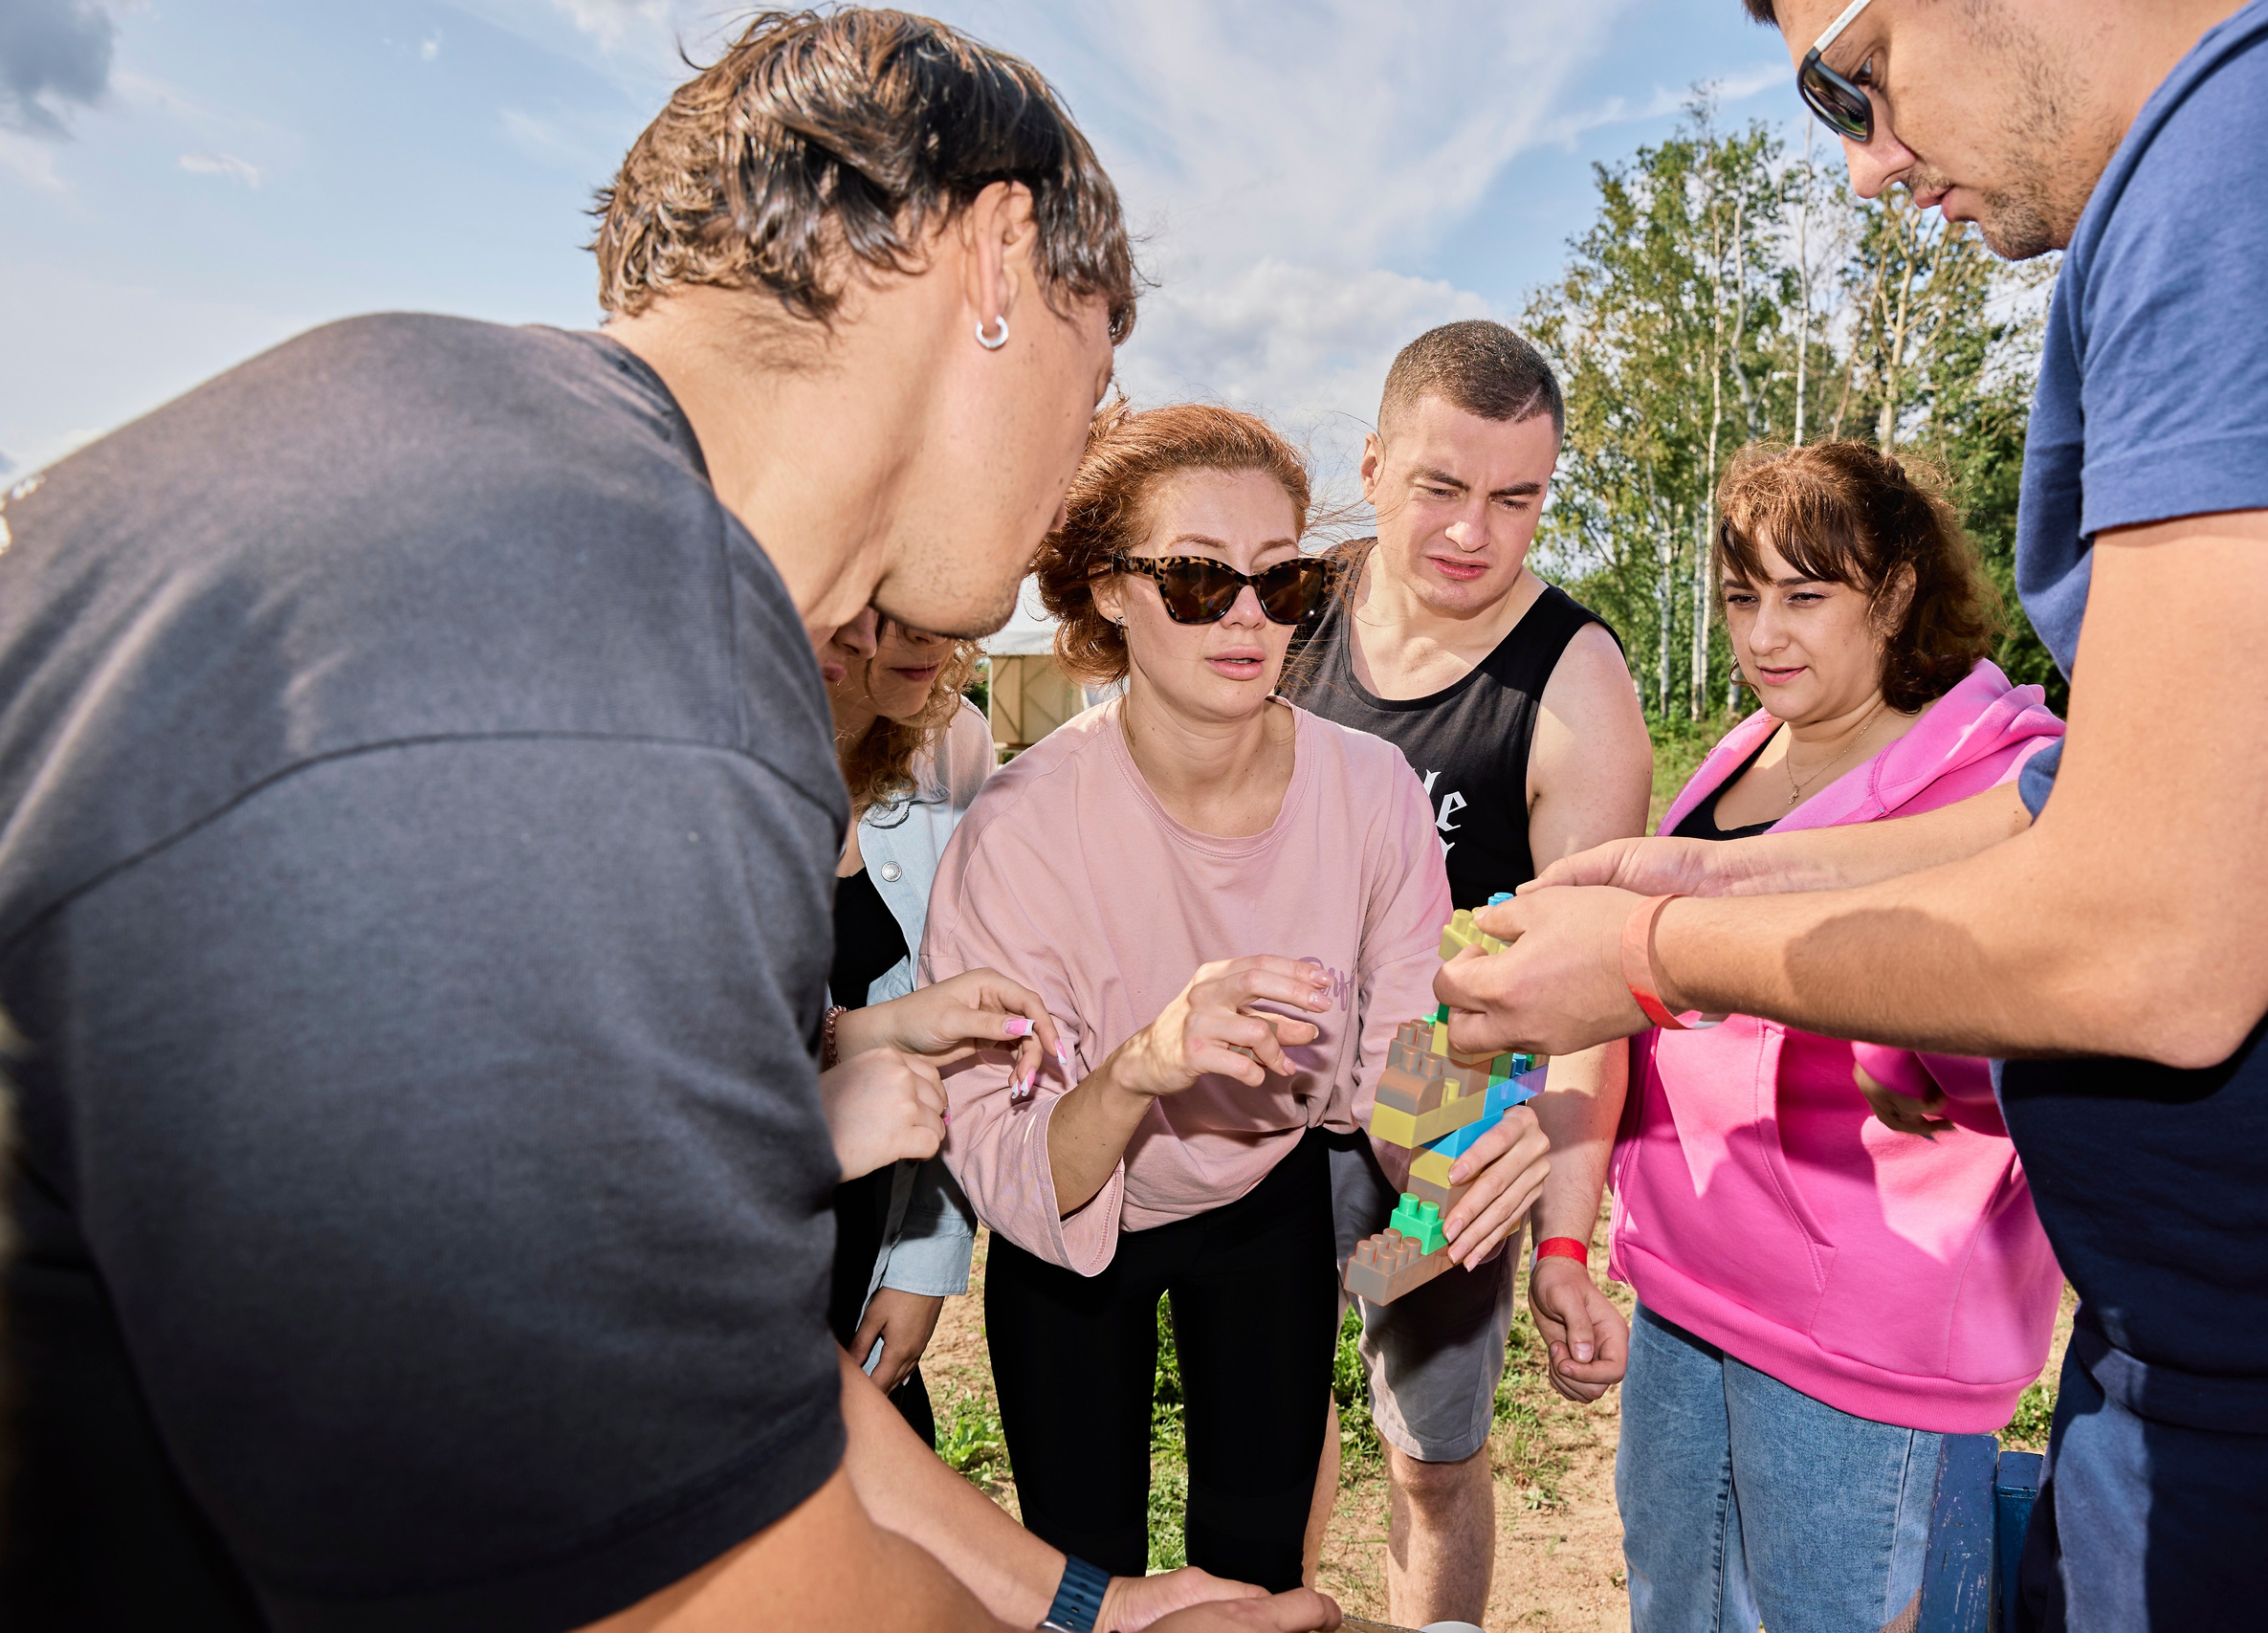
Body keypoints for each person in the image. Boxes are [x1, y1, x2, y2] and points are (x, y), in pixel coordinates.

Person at [0, 11, 1338, 1632]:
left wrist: (1085, 1604)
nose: (1077, 460)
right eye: (1094, 379)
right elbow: (679, 1584)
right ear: (997, 259)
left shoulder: (450, 457)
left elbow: (699, 1369)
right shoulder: (618, 659)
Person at [1440, 2, 2268, 1626]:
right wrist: (1707, 876)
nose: (1863, 162)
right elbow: (2082, 815)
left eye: (1852, 76)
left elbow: (2151, 933)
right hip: (2228, 1361)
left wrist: (1649, 952)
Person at [926, 400, 1552, 1595]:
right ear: (1110, 590)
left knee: (1260, 1566)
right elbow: (1009, 1166)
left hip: (1265, 1198)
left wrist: (1460, 1156)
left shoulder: (1370, 792)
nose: (1249, 617)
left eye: (1283, 581)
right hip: (1078, 1226)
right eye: (1200, 580)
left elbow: (1405, 1052)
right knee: (1081, 1567)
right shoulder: (1018, 831)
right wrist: (1138, 1068)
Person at [1530, 443, 2064, 1633]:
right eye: (1741, 597)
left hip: (1856, 1328)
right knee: (1675, 1603)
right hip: (1685, 1281)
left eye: (1805, 596)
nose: (1764, 635)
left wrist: (1903, 1021)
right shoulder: (1748, 748)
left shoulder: (2006, 781)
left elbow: (2035, 1038)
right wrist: (1568, 1234)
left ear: (1897, 593)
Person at [1281, 319, 1650, 1625]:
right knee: (1272, 1421)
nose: (1471, 533)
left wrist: (1564, 1236)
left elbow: (1597, 993)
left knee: (1430, 1451)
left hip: (1439, 1107)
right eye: (1440, 486)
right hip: (1263, 1079)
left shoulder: (1575, 684)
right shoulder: (1285, 608)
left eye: (1516, 498)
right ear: (1373, 466)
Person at [817, 610, 998, 1446]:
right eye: (895, 611)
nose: (929, 639)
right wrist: (867, 1034)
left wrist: (923, 1266)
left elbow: (966, 1044)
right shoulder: (710, 767)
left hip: (873, 1233)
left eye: (946, 615)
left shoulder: (956, 745)